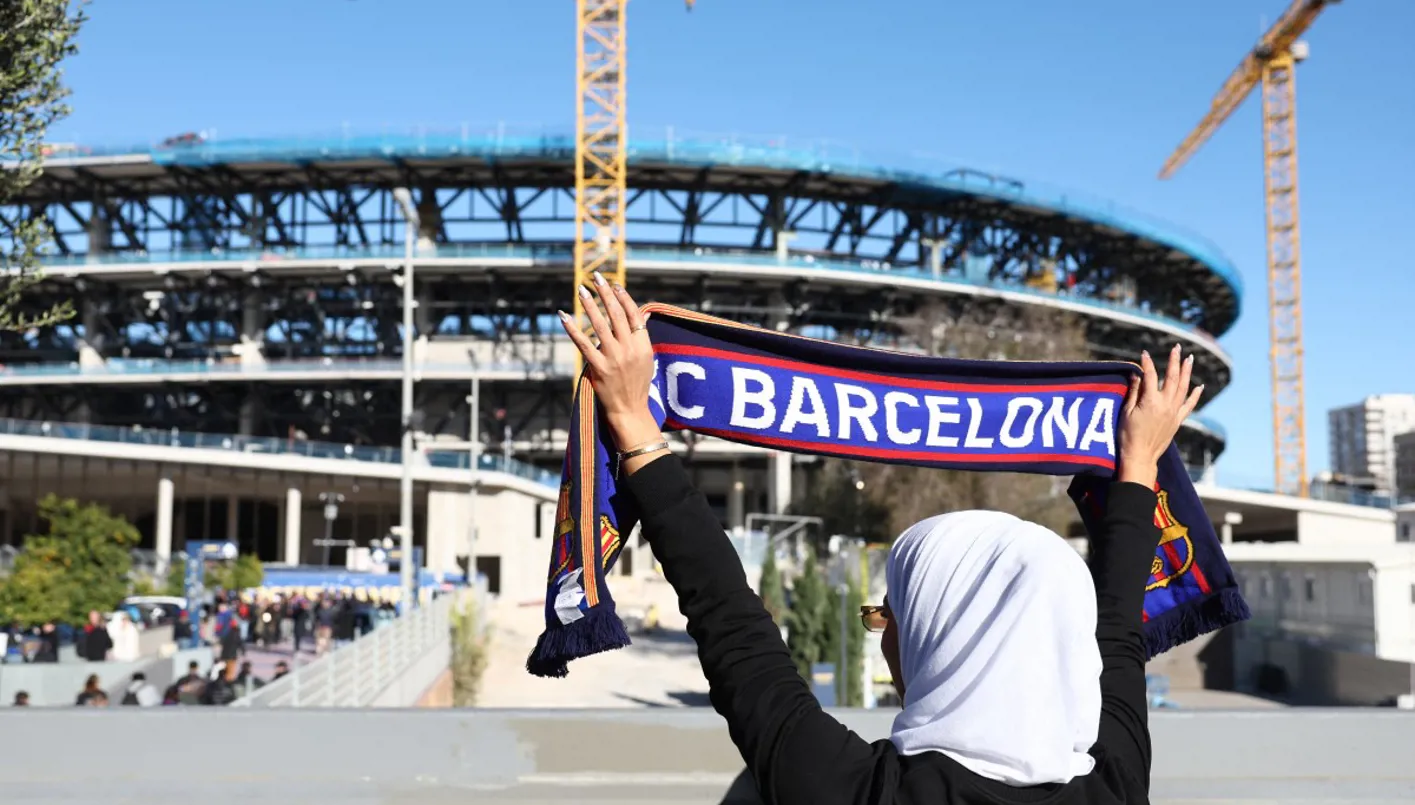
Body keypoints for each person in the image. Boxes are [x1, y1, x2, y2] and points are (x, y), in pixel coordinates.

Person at [558, 277, 1203, 804]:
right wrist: (1139, 466)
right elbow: (1117, 636)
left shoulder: (855, 791)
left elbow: (730, 622)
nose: (885, 634)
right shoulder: (1117, 783)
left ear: (938, 635)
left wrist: (631, 420)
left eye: (891, 614)